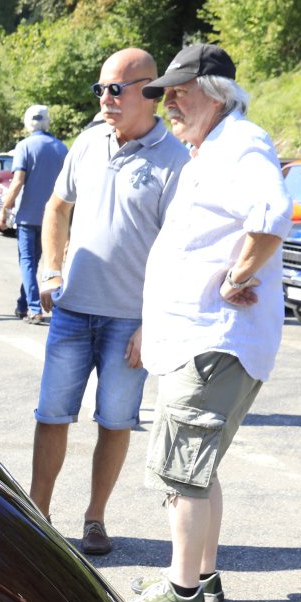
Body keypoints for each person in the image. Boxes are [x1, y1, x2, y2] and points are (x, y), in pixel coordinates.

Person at [127, 44, 292, 602]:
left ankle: (182, 592)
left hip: (213, 341)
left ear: (217, 95)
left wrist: (236, 278)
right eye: (165, 93)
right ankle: (201, 575)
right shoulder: (215, 147)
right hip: (202, 340)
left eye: (180, 91)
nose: (169, 102)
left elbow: (271, 215)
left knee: (181, 468)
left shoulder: (241, 144)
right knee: (199, 466)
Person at [31, 47, 190, 557]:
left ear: (150, 92)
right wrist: (50, 268)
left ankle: (95, 518)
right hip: (73, 310)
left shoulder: (175, 159)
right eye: (100, 88)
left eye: (116, 89)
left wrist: (152, 323)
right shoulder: (88, 141)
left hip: (130, 322)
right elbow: (57, 207)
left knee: (115, 422)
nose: (105, 98)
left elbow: (179, 252)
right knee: (51, 414)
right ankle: (37, 516)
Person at [0, 105, 67, 324]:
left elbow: (18, 181)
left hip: (27, 216)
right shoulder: (61, 148)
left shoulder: (24, 146)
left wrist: (4, 208)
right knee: (33, 263)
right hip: (53, 218)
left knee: (27, 263)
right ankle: (23, 304)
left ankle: (34, 308)